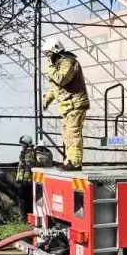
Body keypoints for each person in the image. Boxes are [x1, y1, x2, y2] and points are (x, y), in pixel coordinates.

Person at [40, 39, 90, 171]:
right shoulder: (59, 65)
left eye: (48, 54)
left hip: (75, 105)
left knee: (73, 133)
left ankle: (75, 162)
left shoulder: (69, 62)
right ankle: (70, 160)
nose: (47, 57)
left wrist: (50, 67)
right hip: (67, 107)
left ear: (55, 50)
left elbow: (62, 79)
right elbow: (54, 87)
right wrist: (47, 100)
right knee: (67, 135)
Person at [15, 135, 35, 220]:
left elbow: (28, 166)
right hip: (24, 179)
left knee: (22, 198)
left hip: (25, 180)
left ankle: (23, 217)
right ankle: (26, 216)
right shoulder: (26, 151)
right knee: (25, 198)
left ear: (27, 143)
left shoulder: (28, 152)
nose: (22, 145)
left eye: (23, 143)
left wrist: (25, 179)